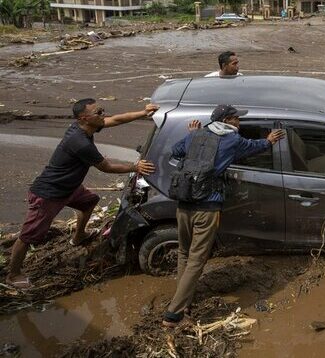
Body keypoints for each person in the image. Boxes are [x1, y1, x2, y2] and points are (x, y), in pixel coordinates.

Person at [5, 99, 158, 289]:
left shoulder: (86, 126)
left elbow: (116, 120)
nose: (103, 115)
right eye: (98, 112)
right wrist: (136, 167)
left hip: (69, 189)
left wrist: (143, 113)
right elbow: (106, 167)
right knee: (28, 237)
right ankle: (13, 275)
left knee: (89, 202)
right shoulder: (80, 142)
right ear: (85, 118)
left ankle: (78, 237)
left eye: (102, 110)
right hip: (49, 194)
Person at [162, 104, 285, 327]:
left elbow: (176, 150)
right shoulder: (232, 140)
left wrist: (192, 136)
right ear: (228, 120)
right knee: (197, 260)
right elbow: (254, 147)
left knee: (184, 252)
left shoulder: (197, 134)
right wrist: (269, 140)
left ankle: (183, 301)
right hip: (207, 208)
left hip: (183, 204)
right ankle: (173, 315)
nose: (239, 123)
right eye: (237, 119)